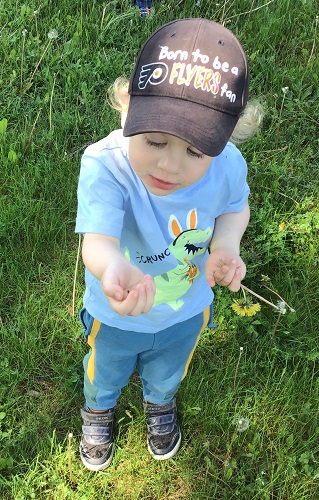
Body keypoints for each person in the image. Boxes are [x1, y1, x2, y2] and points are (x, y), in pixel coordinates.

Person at [75, 18, 264, 471]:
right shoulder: (105, 165)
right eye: (154, 140)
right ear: (127, 110)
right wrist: (110, 267)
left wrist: (226, 244)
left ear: (225, 140)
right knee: (107, 367)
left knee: (168, 370)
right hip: (117, 310)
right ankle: (98, 409)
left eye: (196, 151)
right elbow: (97, 240)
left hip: (187, 308)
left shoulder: (228, 165)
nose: (170, 165)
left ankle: (159, 402)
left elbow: (235, 207)